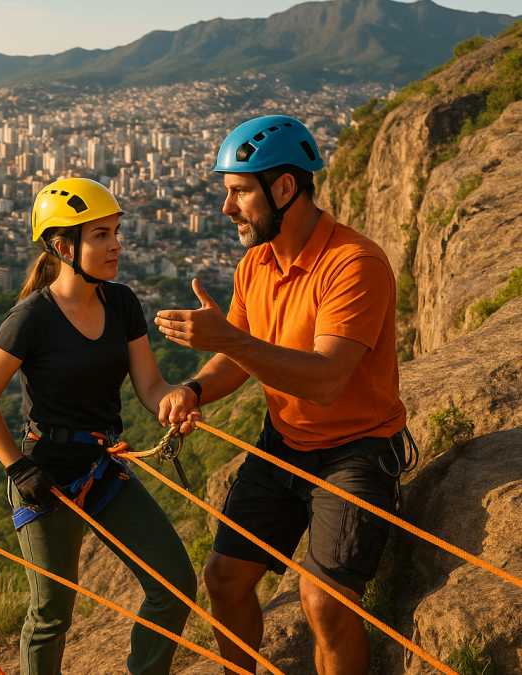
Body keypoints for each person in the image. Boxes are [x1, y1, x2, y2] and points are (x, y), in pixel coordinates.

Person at [154, 115, 412, 675]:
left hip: (357, 451)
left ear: (285, 187)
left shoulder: (353, 264)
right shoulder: (257, 264)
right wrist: (194, 389)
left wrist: (228, 337)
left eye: (239, 192)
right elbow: (239, 359)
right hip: (285, 443)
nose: (228, 209)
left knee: (323, 602)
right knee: (223, 578)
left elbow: (325, 379)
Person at [0, 177, 200, 675]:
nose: (116, 243)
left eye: (116, 231)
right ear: (62, 245)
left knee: (175, 583)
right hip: (45, 476)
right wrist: (18, 469)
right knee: (52, 613)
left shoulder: (121, 304)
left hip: (101, 468)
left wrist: (176, 398)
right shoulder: (32, 317)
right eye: (100, 234)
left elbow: (150, 387)